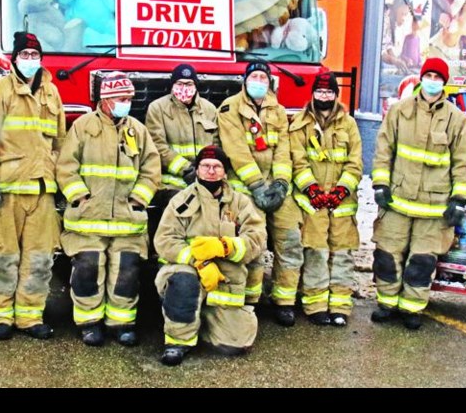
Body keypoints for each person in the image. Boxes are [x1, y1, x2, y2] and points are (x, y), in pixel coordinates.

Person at [55, 72, 161, 347]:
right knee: (87, 270)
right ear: (105, 100)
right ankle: (89, 323)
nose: (127, 103)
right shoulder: (83, 126)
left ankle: (121, 323)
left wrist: (139, 199)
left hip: (128, 223)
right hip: (87, 221)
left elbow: (151, 169)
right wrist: (79, 197)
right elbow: (66, 167)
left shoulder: (137, 130)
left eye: (128, 98)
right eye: (121, 98)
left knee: (127, 272)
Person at [370, 56, 466, 330]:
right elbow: (384, 150)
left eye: (437, 78)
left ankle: (411, 309)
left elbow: (463, 162)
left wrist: (459, 199)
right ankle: (386, 304)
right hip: (397, 201)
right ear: (421, 78)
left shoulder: (456, 119)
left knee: (421, 262)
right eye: (428, 76)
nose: (432, 81)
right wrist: (380, 184)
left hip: (433, 207)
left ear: (444, 83)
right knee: (386, 256)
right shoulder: (400, 110)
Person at [0, 32, 66, 341]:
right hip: (8, 187)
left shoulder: (52, 94)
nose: (30, 60)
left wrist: (62, 180)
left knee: (40, 257)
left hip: (42, 189)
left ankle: (30, 315)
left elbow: (60, 142)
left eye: (34, 55)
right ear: (15, 58)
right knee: (3, 255)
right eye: (25, 54)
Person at [153, 145, 266, 366]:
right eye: (205, 166)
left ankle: (204, 319)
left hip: (225, 281)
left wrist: (226, 247)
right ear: (197, 170)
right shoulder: (181, 201)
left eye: (217, 166)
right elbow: (165, 240)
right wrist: (198, 261)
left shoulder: (240, 203)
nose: (211, 171)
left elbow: (257, 239)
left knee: (235, 345)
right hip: (187, 271)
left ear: (225, 172)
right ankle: (177, 342)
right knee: (184, 283)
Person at [218, 61, 302, 326]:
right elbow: (236, 151)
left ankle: (284, 301)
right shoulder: (230, 108)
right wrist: (256, 185)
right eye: (254, 76)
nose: (259, 81)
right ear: (245, 80)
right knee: (253, 244)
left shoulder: (277, 109)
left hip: (275, 188)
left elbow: (283, 149)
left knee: (290, 240)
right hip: (245, 188)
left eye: (263, 77)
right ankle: (250, 300)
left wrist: (280, 183)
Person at [288, 70, 363, 326]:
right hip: (312, 204)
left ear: (335, 94)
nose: (324, 96)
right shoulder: (300, 123)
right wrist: (311, 189)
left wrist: (342, 190)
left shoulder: (349, 124)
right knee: (316, 253)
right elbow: (296, 161)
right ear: (312, 94)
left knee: (342, 255)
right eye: (320, 92)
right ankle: (316, 305)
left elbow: (355, 163)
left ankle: (340, 307)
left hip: (342, 205)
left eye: (329, 92)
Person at [144, 63, 219, 240]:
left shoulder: (209, 109)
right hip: (171, 182)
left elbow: (216, 144)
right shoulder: (157, 109)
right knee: (182, 205)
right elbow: (157, 146)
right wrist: (185, 169)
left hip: (205, 178)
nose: (184, 88)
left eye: (189, 84)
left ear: (195, 86)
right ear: (172, 85)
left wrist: (206, 171)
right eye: (179, 83)